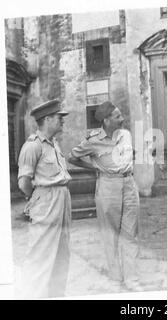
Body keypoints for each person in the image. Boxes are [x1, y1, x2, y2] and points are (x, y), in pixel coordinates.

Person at [68, 101, 141, 291]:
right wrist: (94, 167)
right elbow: (72, 157)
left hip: (129, 184)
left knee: (130, 233)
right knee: (110, 234)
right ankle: (116, 277)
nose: (122, 119)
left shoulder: (126, 135)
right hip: (108, 186)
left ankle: (132, 280)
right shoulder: (92, 141)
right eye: (117, 116)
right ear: (106, 120)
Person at [17, 99, 71, 299]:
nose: (62, 121)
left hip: (63, 199)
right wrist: (39, 199)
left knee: (61, 254)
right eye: (59, 118)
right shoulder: (32, 146)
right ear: (47, 120)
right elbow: (24, 182)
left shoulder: (54, 144)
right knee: (40, 255)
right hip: (46, 201)